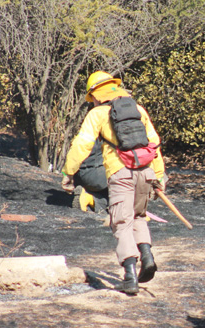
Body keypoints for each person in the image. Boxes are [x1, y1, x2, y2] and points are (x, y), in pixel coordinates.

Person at [61, 70, 166, 295]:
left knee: (121, 222)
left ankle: (130, 276)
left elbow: (82, 145)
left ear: (96, 95)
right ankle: (146, 255)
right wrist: (159, 177)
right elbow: (154, 144)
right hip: (145, 172)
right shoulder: (138, 110)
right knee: (138, 217)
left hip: (121, 174)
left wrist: (69, 173)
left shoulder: (97, 114)